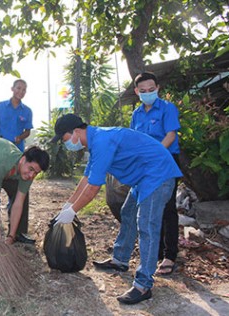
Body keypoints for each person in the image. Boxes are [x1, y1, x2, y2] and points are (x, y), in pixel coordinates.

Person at [51, 114, 181, 305]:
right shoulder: (95, 142)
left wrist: (72, 213)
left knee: (147, 225)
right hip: (143, 177)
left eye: (66, 139)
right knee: (128, 214)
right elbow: (86, 179)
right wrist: (67, 206)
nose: (67, 144)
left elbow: (94, 188)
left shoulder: (103, 141)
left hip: (157, 174)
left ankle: (143, 285)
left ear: (76, 132)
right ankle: (120, 260)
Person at [131, 72, 181, 276]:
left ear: (158, 88)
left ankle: (170, 255)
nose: (148, 93)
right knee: (150, 207)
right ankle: (156, 253)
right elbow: (134, 139)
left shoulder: (167, 108)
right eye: (143, 91)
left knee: (167, 207)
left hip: (165, 161)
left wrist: (155, 154)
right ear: (137, 92)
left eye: (151, 90)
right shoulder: (136, 114)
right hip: (145, 164)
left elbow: (171, 135)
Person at [0, 79, 34, 243]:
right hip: (0, 155)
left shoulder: (27, 111)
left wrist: (19, 137)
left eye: (24, 89)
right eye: (18, 88)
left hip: (18, 157)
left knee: (20, 192)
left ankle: (19, 232)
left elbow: (28, 131)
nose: (21, 91)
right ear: (12, 88)